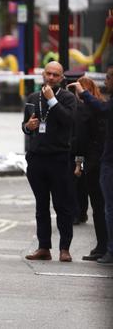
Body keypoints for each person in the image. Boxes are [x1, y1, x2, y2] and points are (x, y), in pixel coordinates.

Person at [22, 61, 77, 262]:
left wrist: (52, 100)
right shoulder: (32, 98)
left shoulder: (68, 98)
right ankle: (44, 247)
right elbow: (26, 127)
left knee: (62, 205)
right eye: (48, 73)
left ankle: (65, 248)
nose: (51, 77)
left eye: (56, 75)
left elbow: (69, 121)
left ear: (62, 78)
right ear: (43, 74)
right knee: (41, 206)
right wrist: (28, 126)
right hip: (37, 159)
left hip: (59, 158)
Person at [69, 67, 113, 265]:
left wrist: (78, 162)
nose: (106, 81)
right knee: (102, 206)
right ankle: (103, 246)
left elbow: (81, 140)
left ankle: (104, 247)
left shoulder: (86, 109)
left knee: (100, 206)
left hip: (96, 161)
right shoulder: (103, 103)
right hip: (100, 158)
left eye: (108, 78)